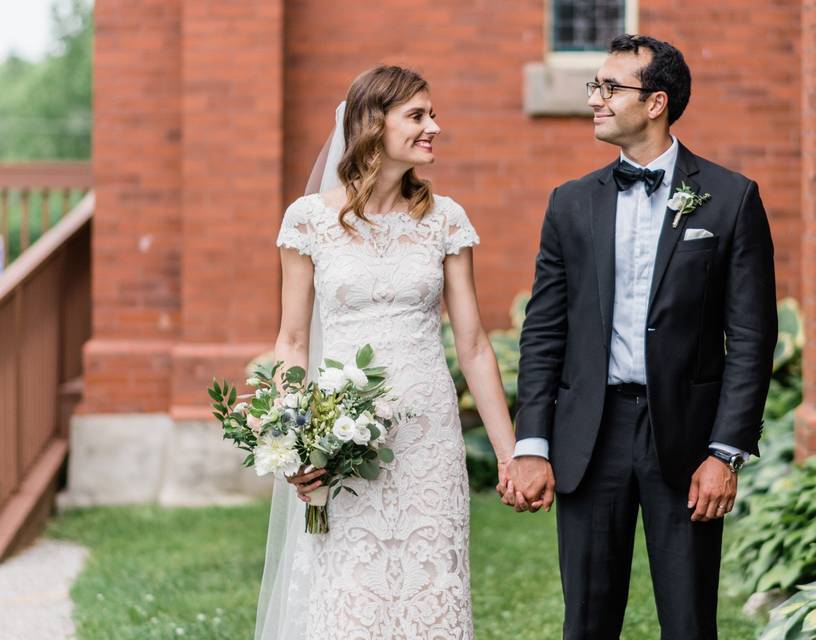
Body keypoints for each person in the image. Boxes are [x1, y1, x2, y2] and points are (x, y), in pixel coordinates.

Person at [507, 34, 778, 639]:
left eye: (610, 87)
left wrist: (724, 452)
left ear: (655, 103)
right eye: (593, 86)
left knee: (688, 622)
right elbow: (544, 331)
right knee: (587, 620)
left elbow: (753, 339)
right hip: (590, 436)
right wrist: (533, 443)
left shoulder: (731, 199)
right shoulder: (570, 204)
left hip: (684, 440)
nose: (595, 100)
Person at [256, 65, 516, 639]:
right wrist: (301, 438)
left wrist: (507, 453)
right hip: (342, 440)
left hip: (427, 438)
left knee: (431, 584)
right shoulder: (309, 221)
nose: (435, 127)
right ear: (374, 124)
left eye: (433, 115)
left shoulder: (445, 220)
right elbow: (293, 341)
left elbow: (472, 344)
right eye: (418, 116)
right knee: (349, 590)